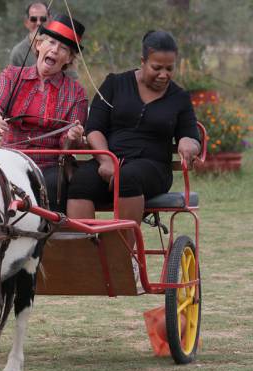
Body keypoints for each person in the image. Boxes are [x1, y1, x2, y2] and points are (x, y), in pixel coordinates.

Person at [67, 30, 202, 249]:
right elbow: (94, 128)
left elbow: (191, 136)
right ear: (143, 61)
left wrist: (188, 142)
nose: (164, 74)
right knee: (80, 182)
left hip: (153, 168)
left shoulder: (179, 97)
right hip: (111, 160)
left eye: (170, 68)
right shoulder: (115, 84)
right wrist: (104, 160)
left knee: (128, 177)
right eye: (157, 68)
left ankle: (123, 258)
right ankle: (86, 257)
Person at [0, 15, 88, 212]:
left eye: (64, 48)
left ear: (68, 58)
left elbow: (66, 144)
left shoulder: (77, 93)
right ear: (39, 45)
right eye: (51, 42)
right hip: (9, 156)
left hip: (49, 164)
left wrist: (72, 137)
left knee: (50, 186)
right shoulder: (11, 75)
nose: (55, 50)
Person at [9, 2, 51, 67]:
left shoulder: (59, 48)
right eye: (33, 19)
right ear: (26, 22)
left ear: (50, 20)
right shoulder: (18, 52)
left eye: (43, 19)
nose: (39, 23)